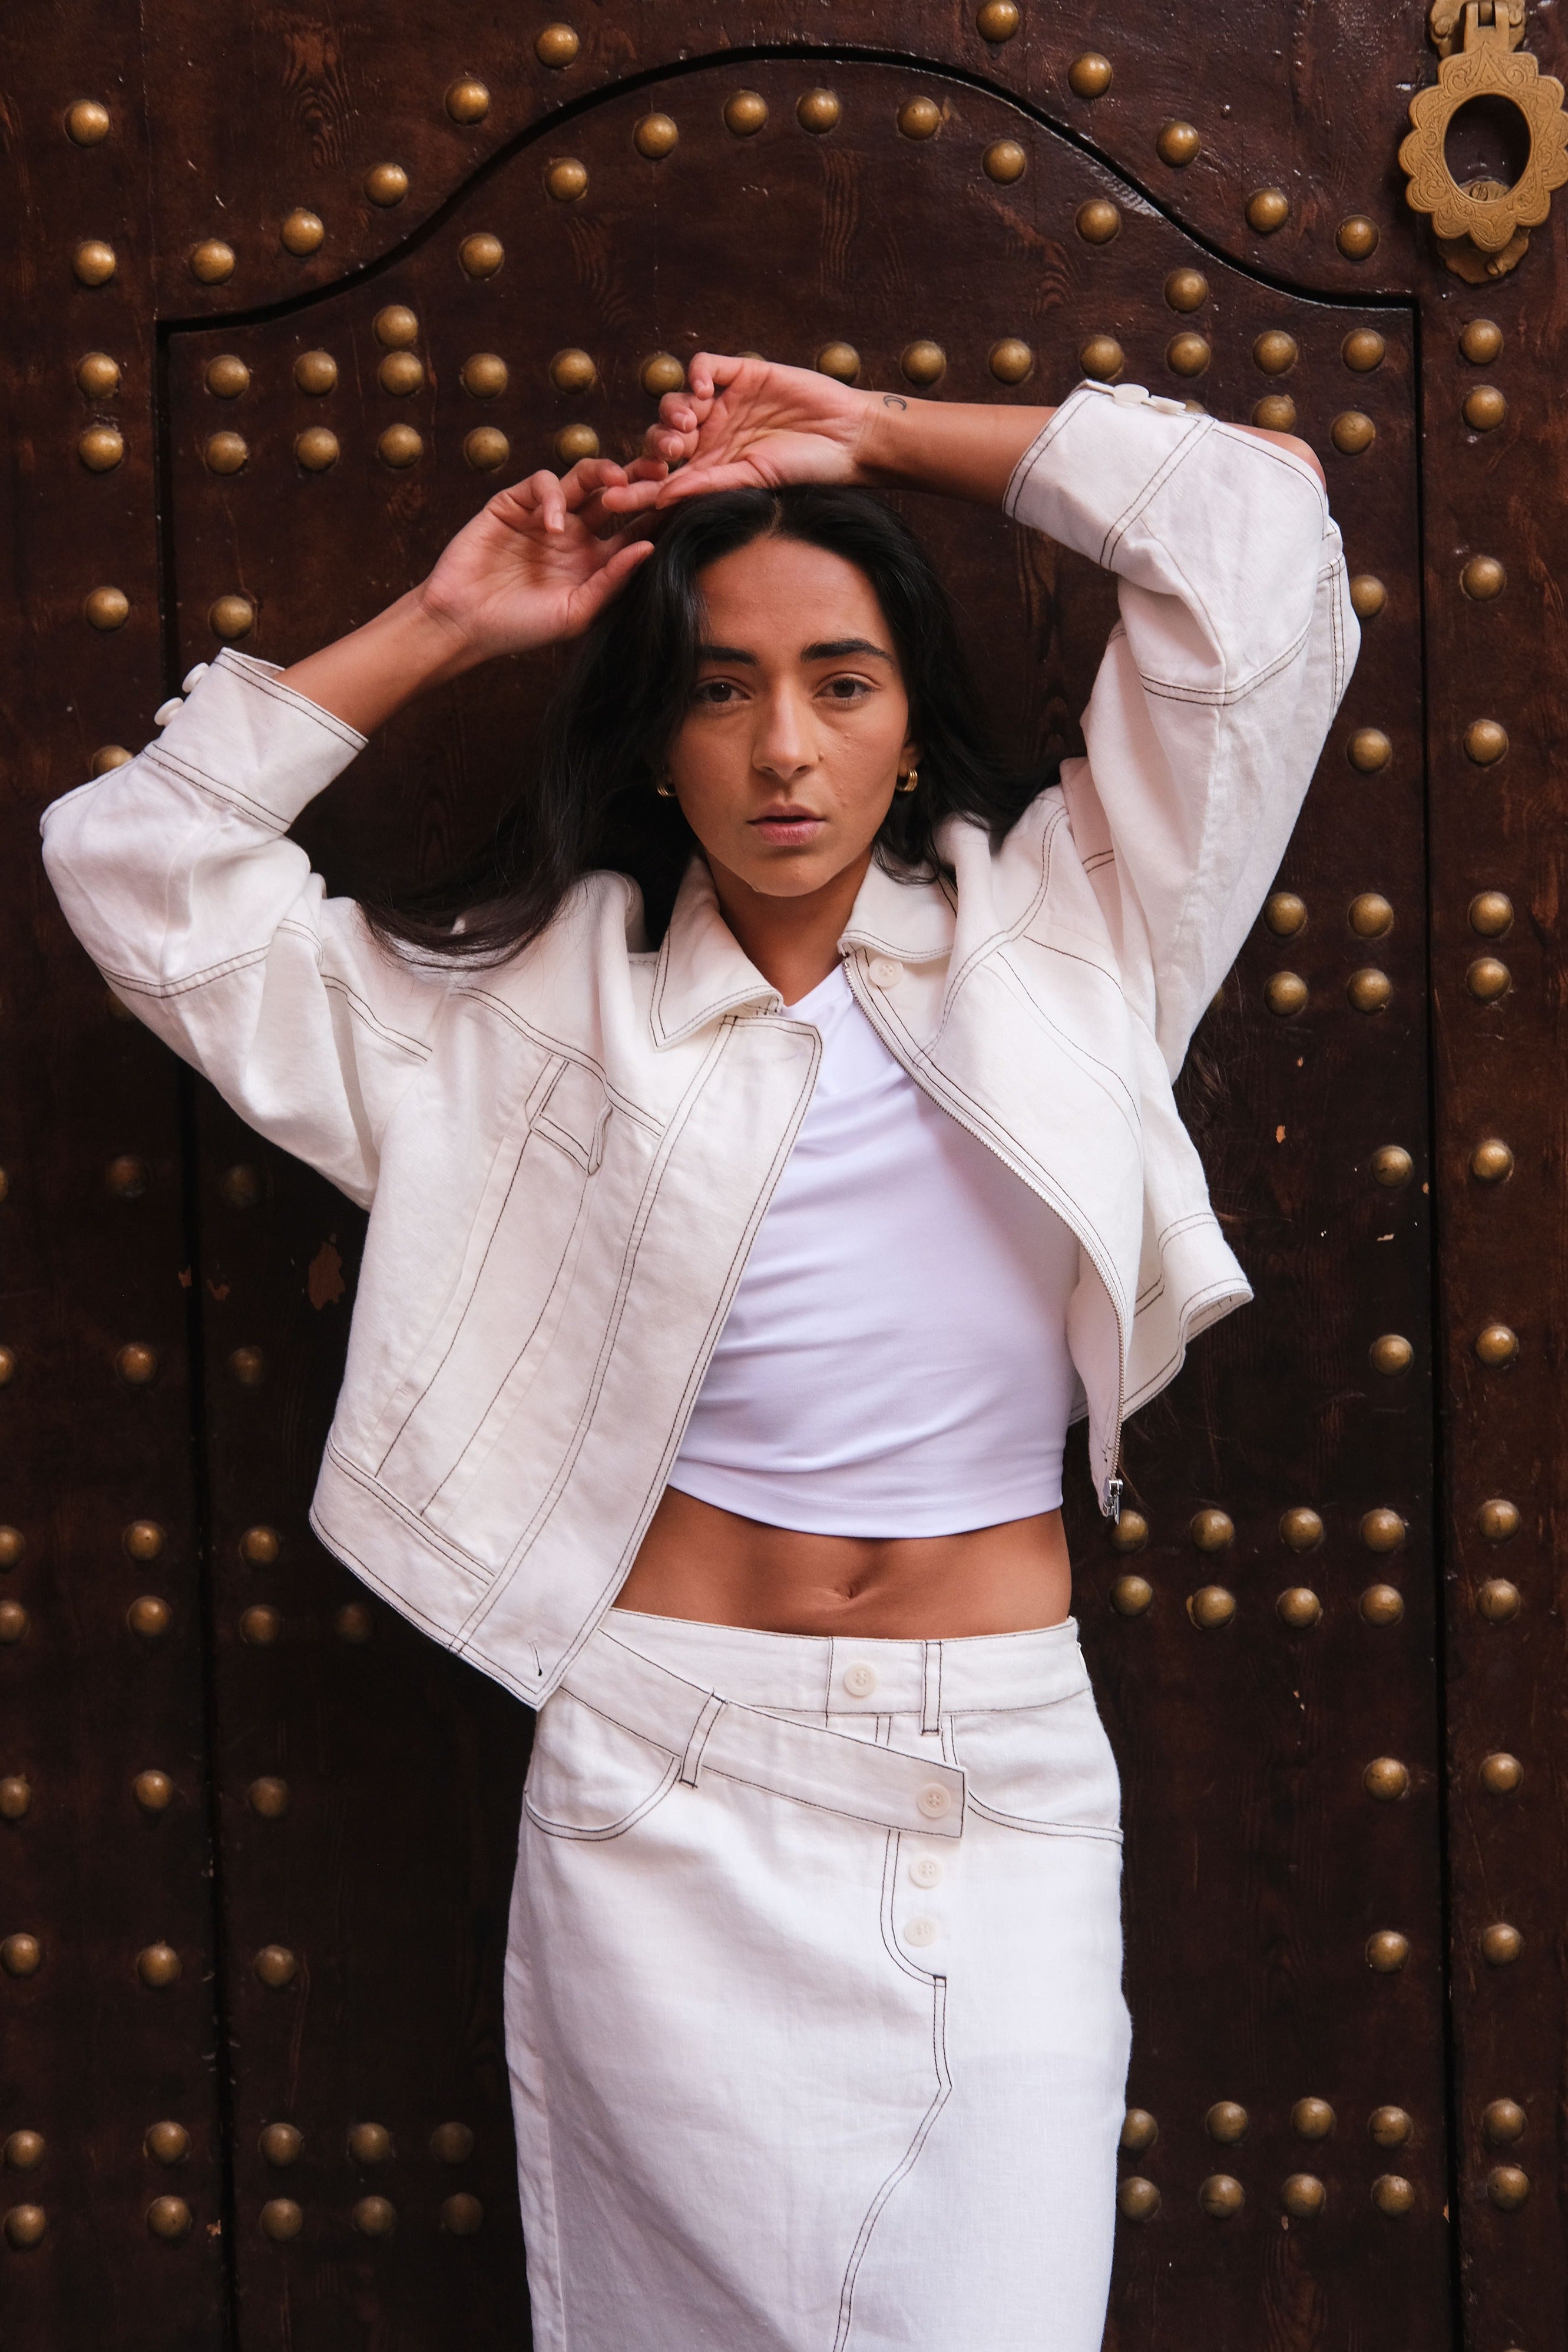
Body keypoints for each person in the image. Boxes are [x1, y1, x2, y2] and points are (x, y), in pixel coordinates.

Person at [41, 352, 1352, 2351]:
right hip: (660, 1782)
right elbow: (140, 874)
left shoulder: (1081, 927)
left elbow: (1261, 539)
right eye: (720, 688)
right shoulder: (521, 1021)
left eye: (842, 680)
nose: (783, 747)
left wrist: (888, 439)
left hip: (987, 1782)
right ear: (657, 740)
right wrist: (448, 621)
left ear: (911, 727)